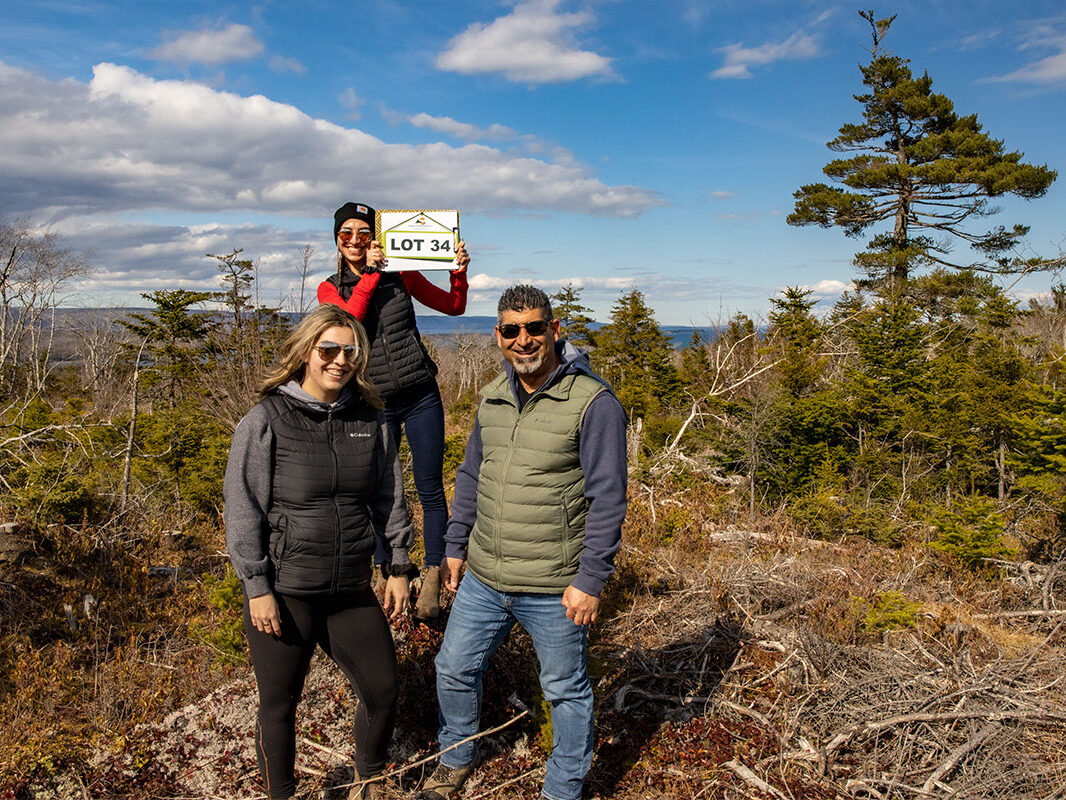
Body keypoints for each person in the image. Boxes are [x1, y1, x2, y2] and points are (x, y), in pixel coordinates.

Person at [415, 285, 628, 800]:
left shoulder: (593, 403)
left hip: (555, 587)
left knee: (565, 691)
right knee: (454, 667)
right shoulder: (492, 397)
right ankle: (456, 757)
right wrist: (455, 545)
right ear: (499, 336)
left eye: (535, 327)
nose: (524, 339)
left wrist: (590, 580)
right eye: (512, 330)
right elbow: (470, 476)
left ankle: (562, 789)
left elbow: (608, 500)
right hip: (485, 576)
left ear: (556, 330)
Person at [223, 304, 414, 800]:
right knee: (279, 704)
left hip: (350, 588)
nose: (339, 360)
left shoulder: (370, 419)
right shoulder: (266, 420)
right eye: (328, 349)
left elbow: (389, 496)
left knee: (383, 691)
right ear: (306, 352)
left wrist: (397, 566)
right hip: (286, 593)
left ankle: (366, 783)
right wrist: (256, 587)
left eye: (350, 351)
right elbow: (243, 508)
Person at [318, 202, 470, 620]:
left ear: (376, 237)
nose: (354, 240)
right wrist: (369, 274)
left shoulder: (401, 273)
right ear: (336, 239)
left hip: (420, 391)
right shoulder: (329, 288)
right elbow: (349, 320)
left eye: (363, 233)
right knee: (380, 490)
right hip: (374, 399)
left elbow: (452, 306)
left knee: (429, 487)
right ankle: (388, 568)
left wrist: (457, 271)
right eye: (345, 233)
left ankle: (435, 577)